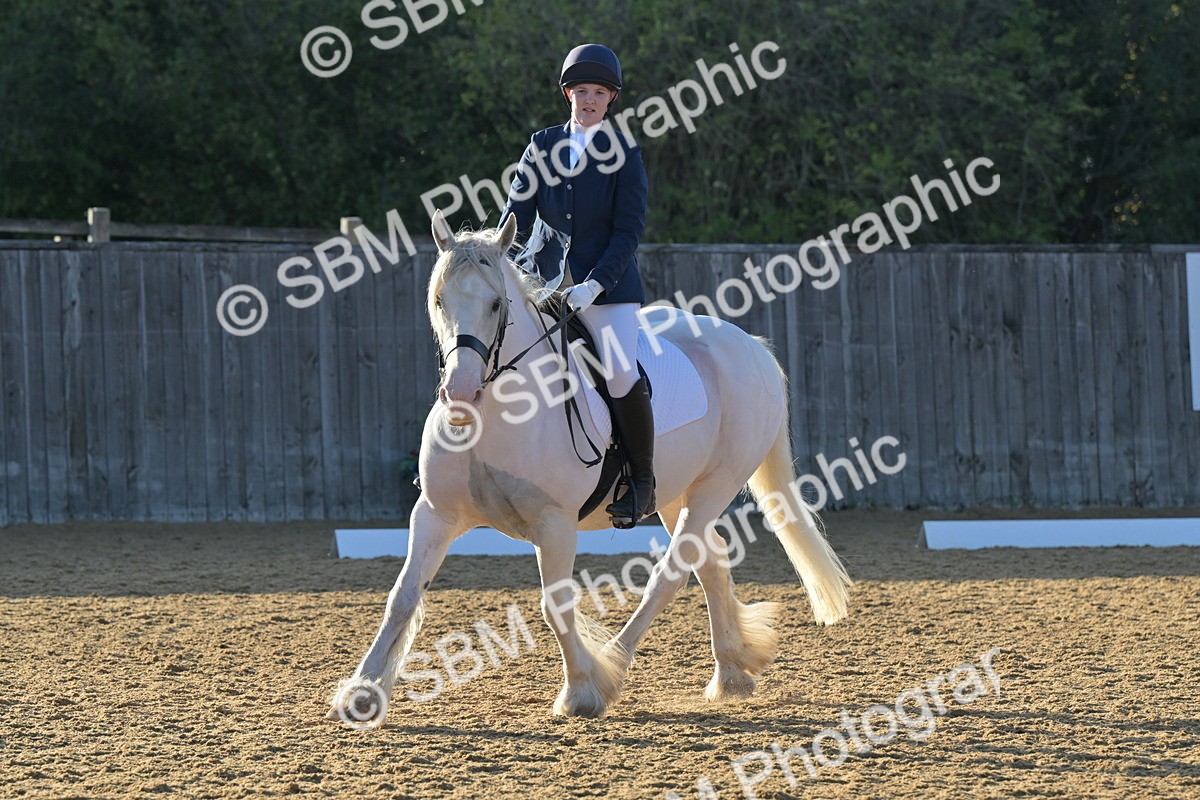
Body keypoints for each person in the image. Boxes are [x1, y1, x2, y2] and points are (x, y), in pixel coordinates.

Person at [500, 43, 654, 528]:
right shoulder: (542, 145)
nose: (588, 100)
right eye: (580, 90)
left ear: (611, 100)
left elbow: (628, 231)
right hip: (542, 283)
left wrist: (595, 284)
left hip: (604, 290)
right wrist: (495, 259)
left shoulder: (624, 153)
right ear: (568, 93)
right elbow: (516, 215)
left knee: (619, 373)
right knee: (490, 346)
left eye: (598, 93)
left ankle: (641, 481)